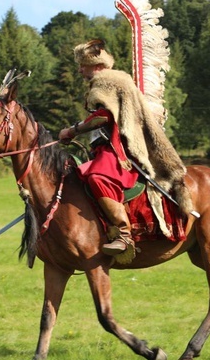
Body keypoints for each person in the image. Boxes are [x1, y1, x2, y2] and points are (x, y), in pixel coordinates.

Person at [58, 39, 191, 261]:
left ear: (96, 65)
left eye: (83, 65)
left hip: (118, 146)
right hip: (105, 145)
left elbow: (105, 116)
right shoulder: (109, 80)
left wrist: (73, 131)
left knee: (97, 177)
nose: (80, 70)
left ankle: (123, 233)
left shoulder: (108, 80)